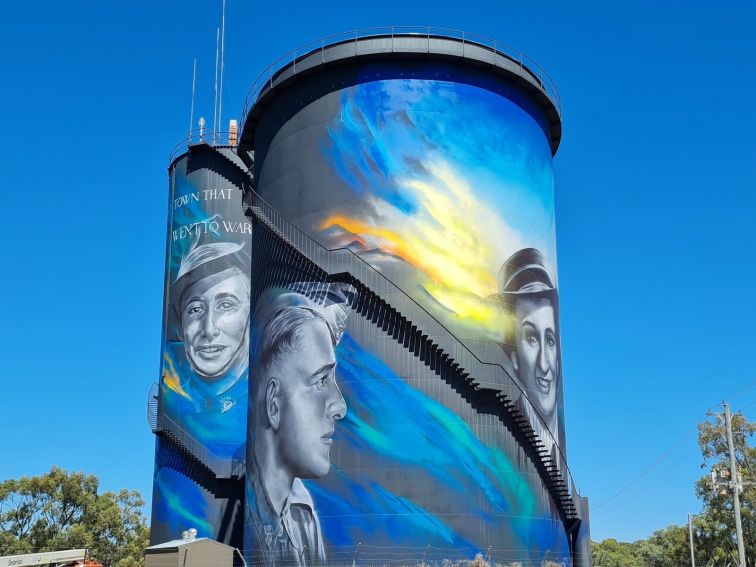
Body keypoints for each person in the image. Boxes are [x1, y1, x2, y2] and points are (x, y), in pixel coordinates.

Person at [246, 283, 353, 566]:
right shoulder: (246, 513)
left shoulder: (303, 515)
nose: (339, 406)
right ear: (273, 403)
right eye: (321, 380)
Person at [494, 248, 563, 464]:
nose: (544, 364)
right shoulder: (500, 434)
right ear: (514, 357)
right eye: (532, 338)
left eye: (550, 340)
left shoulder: (560, 437)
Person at [169, 240, 251, 413]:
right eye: (196, 309)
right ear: (180, 326)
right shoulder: (175, 401)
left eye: (226, 305)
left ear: (249, 314)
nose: (209, 330)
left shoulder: (265, 400)